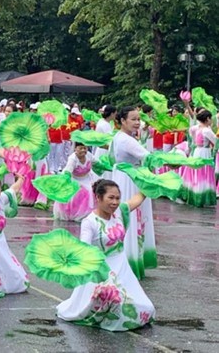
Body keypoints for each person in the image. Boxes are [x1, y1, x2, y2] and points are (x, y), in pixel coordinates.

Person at [57, 179, 155, 331]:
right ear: (98, 197)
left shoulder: (120, 212)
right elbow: (84, 247)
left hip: (121, 267)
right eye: (111, 198)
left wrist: (153, 183)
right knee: (113, 300)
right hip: (100, 268)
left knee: (145, 309)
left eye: (117, 198)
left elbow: (137, 199)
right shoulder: (89, 222)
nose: (115, 202)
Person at [108, 106, 155, 279]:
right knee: (131, 217)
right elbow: (148, 157)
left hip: (124, 177)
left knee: (129, 217)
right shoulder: (127, 140)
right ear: (122, 120)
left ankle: (128, 258)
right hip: (130, 180)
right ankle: (129, 260)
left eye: (138, 119)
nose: (137, 122)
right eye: (133, 119)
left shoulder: (121, 137)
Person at [55, 143, 97, 221]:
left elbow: (97, 163)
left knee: (91, 191)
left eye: (85, 148)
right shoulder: (73, 159)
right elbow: (68, 171)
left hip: (87, 179)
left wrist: (108, 167)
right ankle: (75, 213)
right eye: (80, 148)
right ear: (75, 149)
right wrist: (65, 180)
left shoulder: (89, 156)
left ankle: (86, 214)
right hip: (74, 179)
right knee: (79, 192)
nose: (83, 150)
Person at [182, 109, 216, 207]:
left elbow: (191, 136)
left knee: (196, 174)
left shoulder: (195, 128)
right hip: (205, 153)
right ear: (207, 119)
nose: (211, 121)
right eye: (210, 119)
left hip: (196, 151)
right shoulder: (207, 130)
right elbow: (216, 141)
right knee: (204, 175)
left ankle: (194, 197)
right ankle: (203, 198)